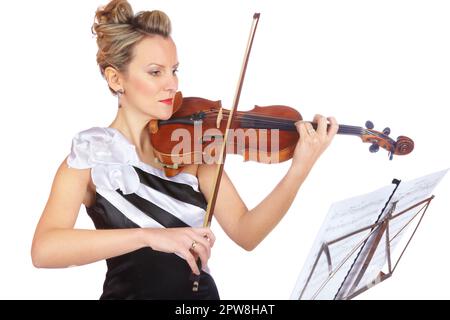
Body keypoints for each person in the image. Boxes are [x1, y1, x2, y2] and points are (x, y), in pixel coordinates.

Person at [31, 0, 338, 300]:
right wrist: (148, 236)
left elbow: (247, 233)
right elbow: (44, 249)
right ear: (116, 78)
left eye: (174, 70)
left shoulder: (193, 147)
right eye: (155, 72)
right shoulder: (89, 156)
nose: (172, 84)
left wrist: (299, 170)